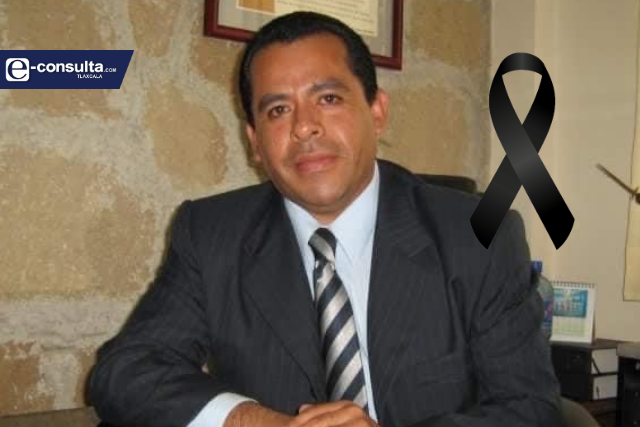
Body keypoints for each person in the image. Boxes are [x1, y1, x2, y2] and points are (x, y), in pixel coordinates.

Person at [88, 11, 565, 427]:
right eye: (278, 109)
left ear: (377, 112)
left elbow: (530, 408)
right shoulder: (211, 235)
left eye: (329, 99)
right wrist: (258, 422)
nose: (304, 127)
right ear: (255, 143)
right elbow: (125, 371)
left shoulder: (477, 235)